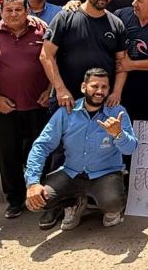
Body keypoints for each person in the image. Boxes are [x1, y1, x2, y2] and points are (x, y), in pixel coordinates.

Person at [24, 68, 137, 230]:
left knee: (112, 202)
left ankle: (112, 211)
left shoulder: (117, 112)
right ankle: (75, 203)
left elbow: (130, 149)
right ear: (84, 87)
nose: (99, 91)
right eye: (94, 86)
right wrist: (33, 182)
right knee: (36, 202)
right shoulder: (66, 112)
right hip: (72, 172)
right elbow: (41, 145)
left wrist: (118, 134)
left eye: (104, 87)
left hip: (105, 174)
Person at [0, 0, 50, 219]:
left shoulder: (42, 30)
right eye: (8, 10)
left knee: (39, 153)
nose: (13, 14)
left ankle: (39, 196)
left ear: (27, 11)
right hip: (5, 108)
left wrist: (49, 89)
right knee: (8, 156)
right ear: (0, 13)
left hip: (38, 106)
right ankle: (14, 200)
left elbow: (56, 60)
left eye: (18, 10)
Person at [40, 0, 128, 111]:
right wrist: (60, 90)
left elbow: (122, 63)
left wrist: (116, 92)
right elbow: (46, 55)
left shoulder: (116, 24)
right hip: (68, 100)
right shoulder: (66, 17)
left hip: (102, 101)